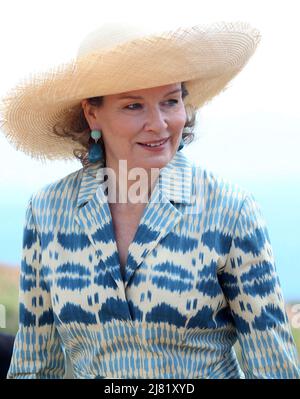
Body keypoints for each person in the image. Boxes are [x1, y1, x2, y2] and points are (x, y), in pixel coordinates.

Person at [1, 21, 299, 379]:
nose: (159, 124)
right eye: (133, 106)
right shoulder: (48, 211)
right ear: (92, 112)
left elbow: (274, 369)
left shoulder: (230, 210)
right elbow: (33, 368)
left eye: (170, 101)